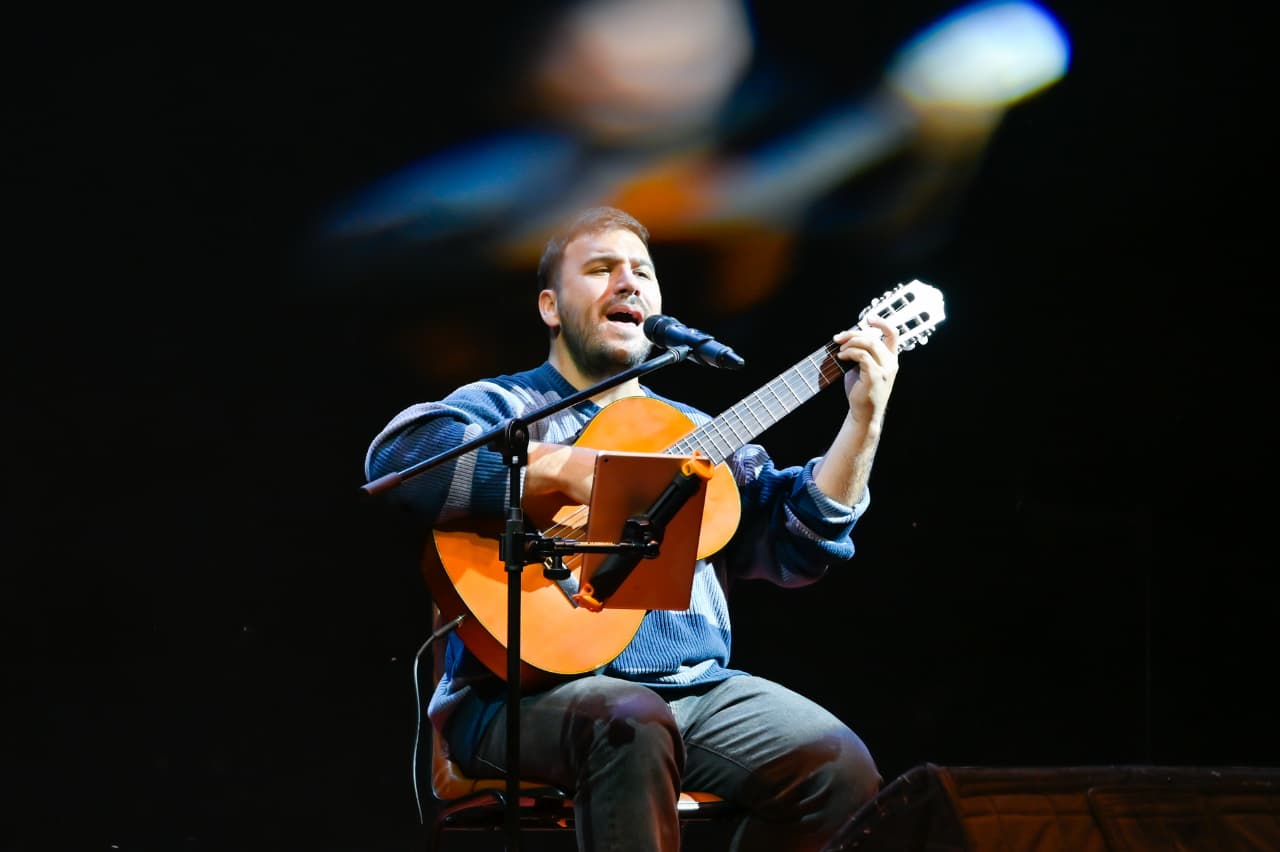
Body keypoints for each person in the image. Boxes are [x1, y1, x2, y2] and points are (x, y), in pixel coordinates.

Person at [364, 206, 900, 851]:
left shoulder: (700, 434)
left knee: (835, 767)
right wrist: (570, 469)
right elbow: (402, 465)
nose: (628, 282)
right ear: (551, 307)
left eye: (642, 271)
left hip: (692, 690)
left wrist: (862, 421)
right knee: (630, 719)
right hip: (516, 696)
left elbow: (800, 548)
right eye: (599, 269)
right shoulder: (508, 406)